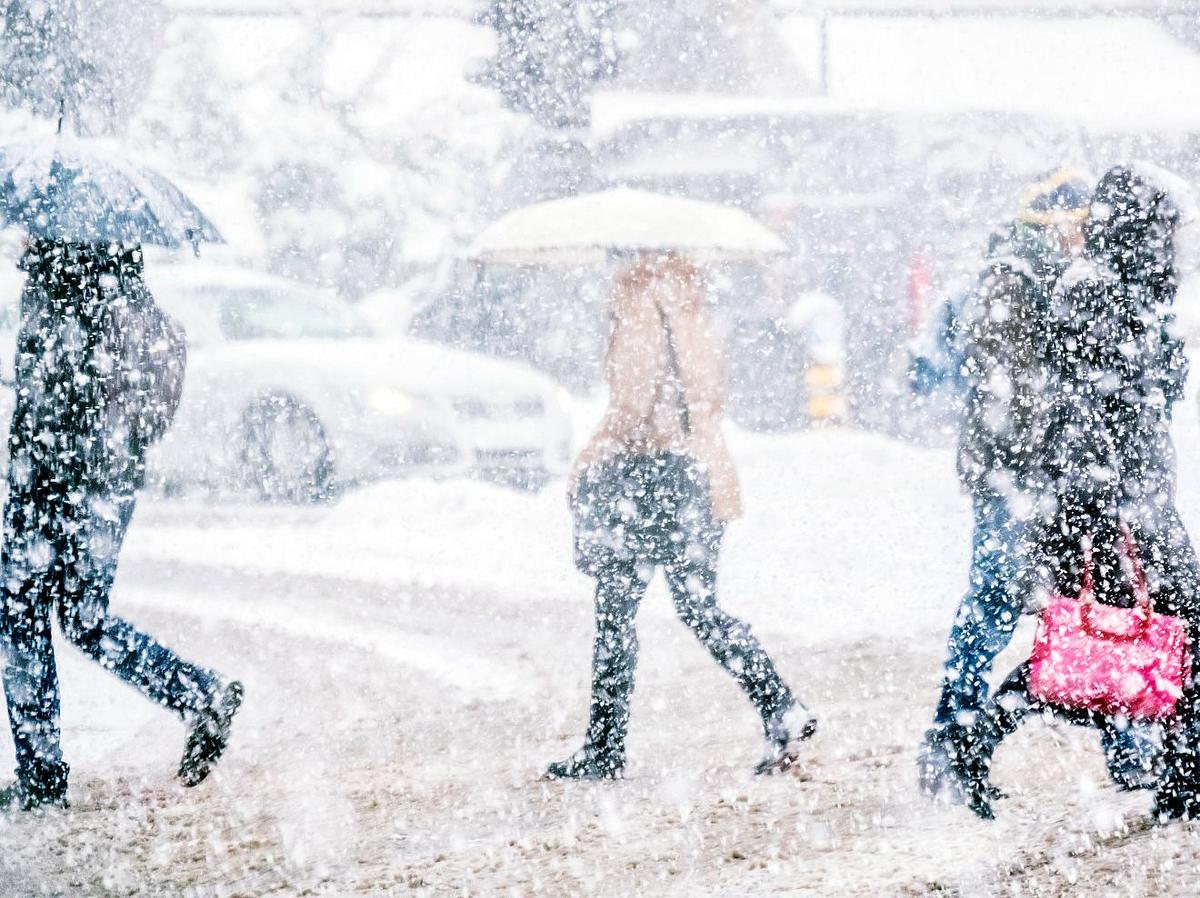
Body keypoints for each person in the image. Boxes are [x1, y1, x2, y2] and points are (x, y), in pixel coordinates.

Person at [943, 164, 1200, 821]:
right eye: (1165, 230)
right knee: (1100, 647)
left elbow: (1136, 397)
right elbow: (1085, 409)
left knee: (1115, 647)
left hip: (1131, 496)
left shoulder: (1126, 290)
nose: (1173, 244)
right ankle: (981, 740)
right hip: (1111, 505)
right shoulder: (1093, 292)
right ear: (1137, 229)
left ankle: (1179, 778)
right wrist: (1102, 506)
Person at [545, 254, 815, 780]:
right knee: (700, 607)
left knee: (615, 615)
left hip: (648, 480)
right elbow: (705, 399)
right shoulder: (693, 313)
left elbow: (633, 407)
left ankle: (604, 748)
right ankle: (780, 705)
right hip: (703, 474)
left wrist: (590, 455)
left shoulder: (640, 310)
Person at [0, 240, 244, 811]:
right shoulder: (129, 298)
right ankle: (198, 694)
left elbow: (55, 398)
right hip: (107, 481)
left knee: (21, 615)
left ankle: (42, 777)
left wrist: (42, 437)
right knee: (79, 618)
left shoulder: (64, 295)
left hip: (53, 479)